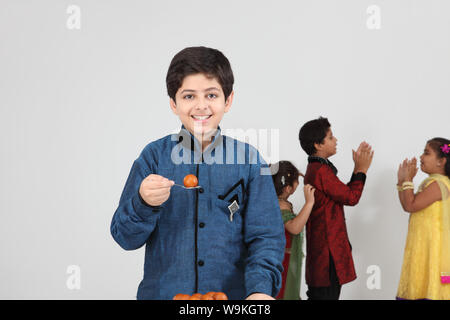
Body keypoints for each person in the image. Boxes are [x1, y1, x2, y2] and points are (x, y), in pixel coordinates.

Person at [110, 46, 285, 300]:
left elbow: (266, 237)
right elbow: (124, 238)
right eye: (189, 96)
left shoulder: (249, 161)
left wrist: (260, 291)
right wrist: (143, 202)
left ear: (228, 100)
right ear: (173, 103)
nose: (201, 106)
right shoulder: (153, 157)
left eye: (211, 95)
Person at [298, 116, 374, 300]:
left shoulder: (318, 169)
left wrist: (357, 170)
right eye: (331, 137)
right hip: (327, 252)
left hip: (323, 251)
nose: (336, 140)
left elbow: (342, 194)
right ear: (318, 145)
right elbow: (351, 197)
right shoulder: (321, 171)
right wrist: (361, 170)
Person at [396, 137, 450, 300]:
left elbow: (411, 205)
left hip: (433, 249)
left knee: (431, 288)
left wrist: (408, 180)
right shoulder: (432, 183)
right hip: (423, 246)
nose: (421, 157)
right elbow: (407, 204)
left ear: (441, 161)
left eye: (426, 153)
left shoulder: (439, 185)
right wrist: (402, 182)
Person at [270, 161, 315, 300]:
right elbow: (295, 228)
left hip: (284, 259)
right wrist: (309, 203)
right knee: (282, 292)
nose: (298, 184)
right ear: (288, 188)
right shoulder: (280, 205)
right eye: (296, 181)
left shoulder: (279, 202)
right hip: (282, 261)